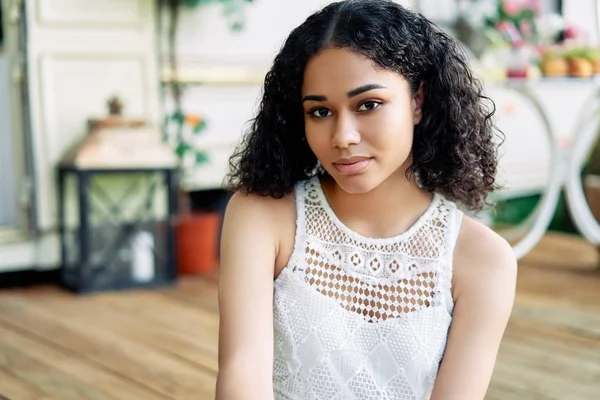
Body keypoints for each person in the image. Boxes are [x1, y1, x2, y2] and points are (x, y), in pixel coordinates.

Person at [216, 1, 517, 399]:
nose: (343, 136)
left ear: (418, 102)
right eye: (320, 111)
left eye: (368, 105)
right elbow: (242, 372)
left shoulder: (483, 260)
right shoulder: (262, 216)